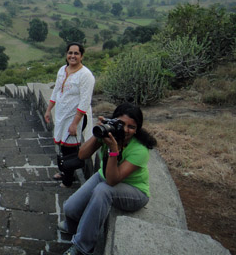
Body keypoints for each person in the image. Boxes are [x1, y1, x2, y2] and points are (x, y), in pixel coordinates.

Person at [60, 102, 157, 255]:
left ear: (137, 129)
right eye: (121, 124)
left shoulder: (140, 150)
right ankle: (74, 227)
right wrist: (98, 134)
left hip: (134, 191)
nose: (125, 130)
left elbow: (113, 180)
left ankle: (82, 246)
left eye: (131, 127)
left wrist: (113, 150)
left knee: (103, 191)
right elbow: (82, 155)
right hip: (106, 176)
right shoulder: (110, 134)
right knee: (70, 208)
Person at [44, 42, 95, 188]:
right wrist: (48, 110)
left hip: (74, 116)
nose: (72, 56)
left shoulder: (86, 75)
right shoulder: (62, 70)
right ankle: (63, 170)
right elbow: (56, 91)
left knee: (70, 147)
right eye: (70, 53)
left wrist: (75, 123)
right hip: (61, 113)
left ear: (82, 56)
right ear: (66, 54)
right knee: (60, 143)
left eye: (76, 53)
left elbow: (85, 101)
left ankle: (68, 179)